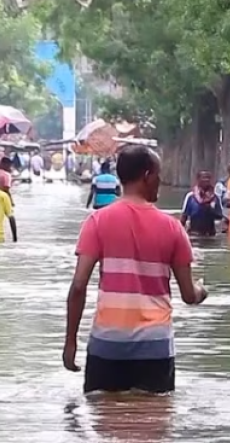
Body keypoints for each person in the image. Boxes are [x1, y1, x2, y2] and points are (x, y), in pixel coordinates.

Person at [63, 144, 208, 394]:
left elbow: (78, 286)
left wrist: (70, 342)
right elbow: (188, 295)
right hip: (155, 346)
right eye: (158, 174)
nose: (160, 181)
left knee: (104, 425)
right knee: (151, 424)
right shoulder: (173, 228)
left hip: (107, 345)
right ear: (147, 175)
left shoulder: (97, 222)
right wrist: (201, 291)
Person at [180, 170, 224, 236]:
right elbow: (184, 217)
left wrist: (210, 209)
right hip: (194, 233)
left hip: (210, 234)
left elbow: (220, 216)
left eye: (208, 178)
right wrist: (180, 232)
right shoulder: (191, 196)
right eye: (203, 177)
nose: (206, 180)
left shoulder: (215, 197)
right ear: (198, 179)